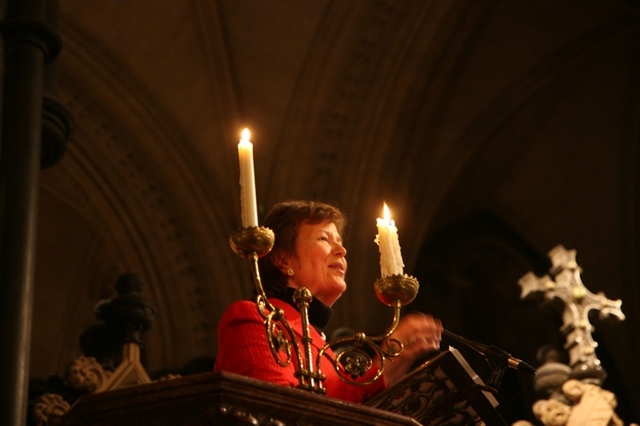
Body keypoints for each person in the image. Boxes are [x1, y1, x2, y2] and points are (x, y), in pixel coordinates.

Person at [214, 200, 442, 403]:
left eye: (340, 241)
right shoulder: (254, 318)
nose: (341, 250)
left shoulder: (326, 351)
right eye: (324, 238)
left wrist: (396, 366)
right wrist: (384, 368)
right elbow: (276, 410)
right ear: (282, 259)